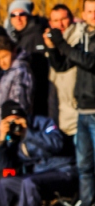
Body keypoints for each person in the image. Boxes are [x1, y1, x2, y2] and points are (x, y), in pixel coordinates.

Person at [47, 0, 95, 206]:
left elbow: (89, 62)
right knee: (85, 167)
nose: (93, 15)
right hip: (83, 110)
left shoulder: (88, 39)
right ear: (83, 14)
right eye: (89, 11)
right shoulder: (84, 36)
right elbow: (64, 64)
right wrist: (53, 48)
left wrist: (61, 44)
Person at [0, 36, 33, 170]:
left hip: (11, 133)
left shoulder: (20, 70)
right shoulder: (4, 73)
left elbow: (19, 102)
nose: (2, 62)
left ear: (14, 52)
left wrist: (11, 124)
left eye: (4, 56)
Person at [5, 0, 53, 118]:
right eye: (13, 15)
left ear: (28, 16)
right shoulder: (16, 37)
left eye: (22, 14)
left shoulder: (37, 33)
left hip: (39, 96)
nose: (18, 19)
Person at [47, 4, 85, 137]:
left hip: (78, 109)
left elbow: (64, 66)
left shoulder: (80, 38)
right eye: (56, 21)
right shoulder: (49, 41)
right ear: (50, 23)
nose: (60, 25)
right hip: (60, 110)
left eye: (63, 19)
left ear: (72, 19)